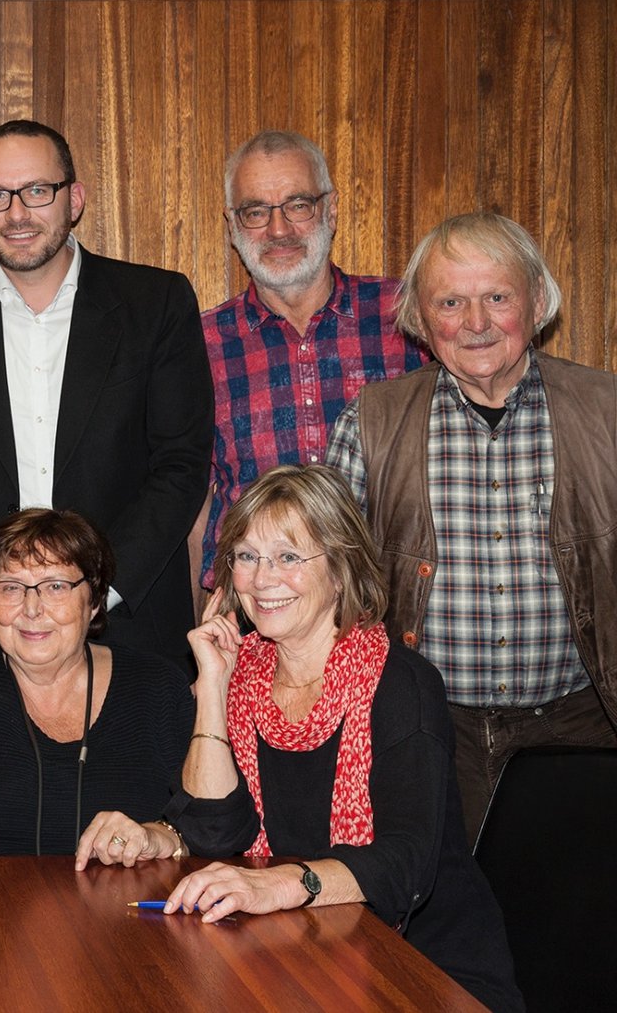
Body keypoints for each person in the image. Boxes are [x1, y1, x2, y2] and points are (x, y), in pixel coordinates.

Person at [150, 465, 521, 1012]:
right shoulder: (240, 673)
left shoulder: (402, 682)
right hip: (287, 951)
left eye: (288, 557)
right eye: (246, 556)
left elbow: (407, 861)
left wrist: (280, 885)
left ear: (342, 568)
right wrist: (211, 684)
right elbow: (210, 831)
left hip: (426, 967)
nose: (260, 577)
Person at [327, 212, 617, 840]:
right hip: (428, 732)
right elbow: (329, 584)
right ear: (421, 321)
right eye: (451, 302)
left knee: (576, 925)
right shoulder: (371, 423)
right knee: (433, 933)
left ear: (537, 301)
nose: (476, 323)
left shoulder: (608, 413)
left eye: (497, 297)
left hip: (579, 732)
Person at [0, 118, 212, 672]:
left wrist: (95, 593)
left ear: (75, 199)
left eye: (37, 191)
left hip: (126, 632)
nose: (17, 213)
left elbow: (181, 468)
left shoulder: (155, 303)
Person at [0, 509, 194, 890]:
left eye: (56, 586)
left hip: (124, 923)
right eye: (11, 587)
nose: (32, 609)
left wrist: (160, 835)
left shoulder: (157, 685)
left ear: (93, 600)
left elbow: (213, 819)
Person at [192, 130, 424, 594]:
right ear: (232, 224)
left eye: (298, 205)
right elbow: (194, 502)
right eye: (256, 211)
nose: (279, 230)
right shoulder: (200, 343)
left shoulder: (408, 315)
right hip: (259, 610)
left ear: (331, 209)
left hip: (394, 604)